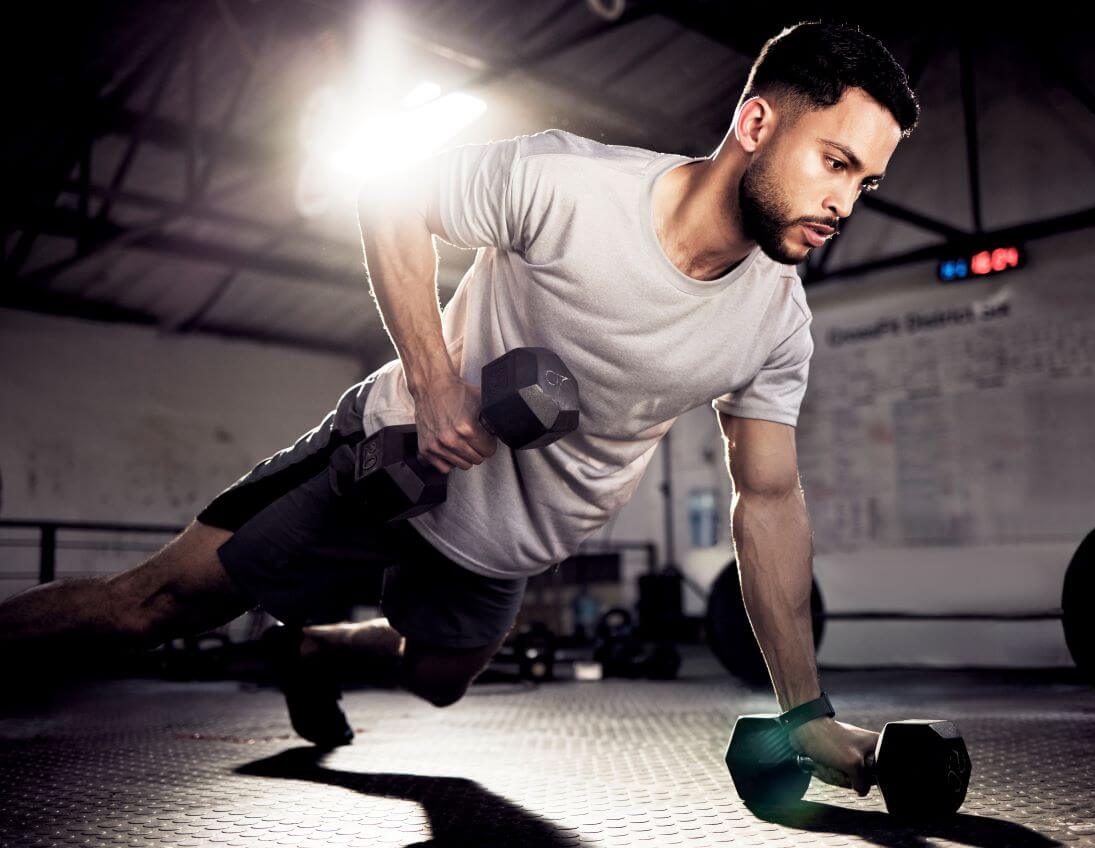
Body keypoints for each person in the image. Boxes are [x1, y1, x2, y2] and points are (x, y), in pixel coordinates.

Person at [0, 20, 917, 798]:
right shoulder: (570, 185)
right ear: (756, 121)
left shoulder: (774, 323)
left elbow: (767, 503)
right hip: (388, 461)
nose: (844, 202)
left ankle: (314, 653)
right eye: (835, 162)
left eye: (865, 185)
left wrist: (806, 714)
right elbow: (393, 197)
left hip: (502, 550)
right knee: (150, 608)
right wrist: (437, 383)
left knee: (436, 680)